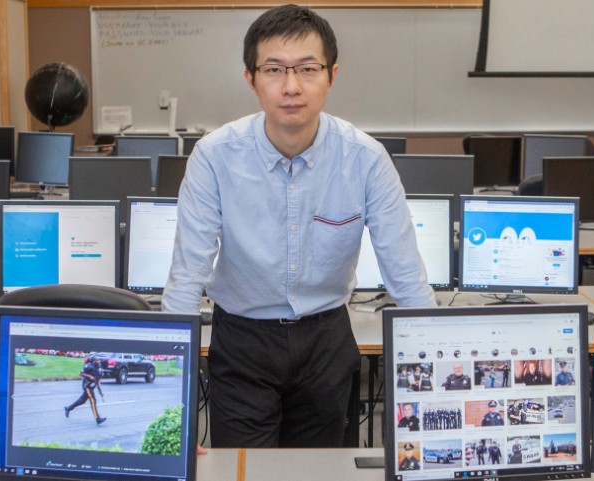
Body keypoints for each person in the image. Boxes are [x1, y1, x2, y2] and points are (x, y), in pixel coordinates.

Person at [162, 4, 435, 448]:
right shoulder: (215, 157)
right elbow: (187, 274)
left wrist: (439, 378)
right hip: (242, 343)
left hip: (325, 340)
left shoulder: (365, 159)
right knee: (244, 473)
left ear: (332, 75)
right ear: (250, 78)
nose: (291, 86)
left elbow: (405, 274)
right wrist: (169, 398)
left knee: (321, 472)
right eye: (274, 69)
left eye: (307, 68)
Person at [63, 354, 107, 425]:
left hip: (92, 387)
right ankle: (97, 418)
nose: (99, 361)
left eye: (99, 360)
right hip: (87, 386)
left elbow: (98, 381)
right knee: (93, 400)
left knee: (82, 401)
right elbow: (81, 373)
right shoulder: (89, 366)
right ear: (93, 361)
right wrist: (89, 376)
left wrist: (100, 391)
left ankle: (68, 408)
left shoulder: (99, 368)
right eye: (97, 360)